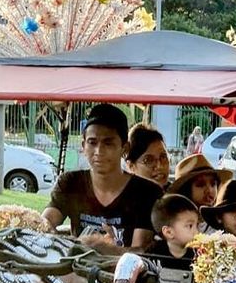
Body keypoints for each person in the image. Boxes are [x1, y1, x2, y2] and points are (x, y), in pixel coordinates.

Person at [42, 103, 163, 251]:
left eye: (108, 143)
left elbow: (139, 251)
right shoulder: (70, 183)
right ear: (83, 146)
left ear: (124, 148)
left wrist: (101, 248)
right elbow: (44, 224)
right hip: (75, 270)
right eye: (92, 143)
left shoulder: (146, 192)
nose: (99, 151)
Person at [166, 153, 232, 232]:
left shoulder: (220, 220)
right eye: (200, 185)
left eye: (213, 184)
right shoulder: (174, 223)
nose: (209, 190)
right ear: (185, 190)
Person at [145, 194, 198, 262]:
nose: (196, 231)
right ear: (168, 232)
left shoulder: (198, 254)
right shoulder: (153, 254)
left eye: (197, 225)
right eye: (190, 226)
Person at [126, 122, 171, 189]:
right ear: (131, 166)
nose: (159, 166)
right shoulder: (123, 197)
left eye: (163, 157)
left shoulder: (178, 195)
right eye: (149, 160)